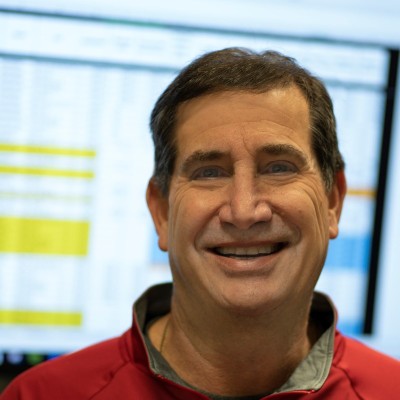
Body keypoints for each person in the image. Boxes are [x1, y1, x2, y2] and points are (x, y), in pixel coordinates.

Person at [2, 48, 400, 399]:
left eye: (279, 168)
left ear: (332, 201)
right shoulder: (41, 396)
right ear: (161, 211)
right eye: (209, 173)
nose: (244, 211)